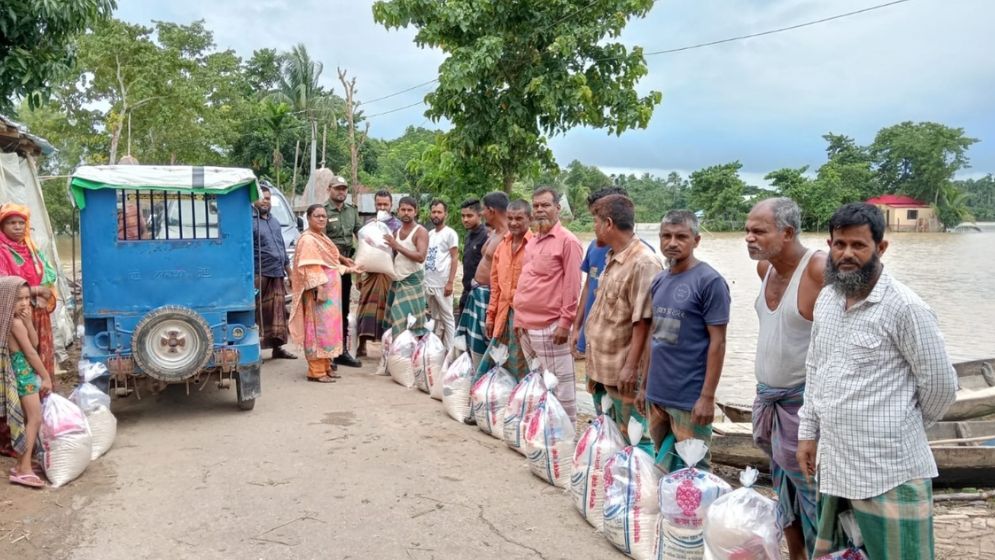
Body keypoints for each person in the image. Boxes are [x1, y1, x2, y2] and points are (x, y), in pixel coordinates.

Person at [797, 203, 957, 560]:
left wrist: (902, 426)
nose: (847, 254)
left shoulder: (905, 307)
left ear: (881, 248)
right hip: (836, 466)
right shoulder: (827, 300)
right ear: (829, 245)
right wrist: (807, 432)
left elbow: (941, 386)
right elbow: (815, 369)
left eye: (858, 245)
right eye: (840, 244)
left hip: (889, 472)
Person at [745, 197, 826, 560]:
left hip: (802, 407)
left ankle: (828, 553)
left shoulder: (818, 269)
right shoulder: (765, 269)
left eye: (759, 231)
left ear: (788, 233)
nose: (749, 238)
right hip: (771, 402)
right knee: (786, 491)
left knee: (814, 495)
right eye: (748, 230)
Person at [641, 210, 730, 472]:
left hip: (689, 397)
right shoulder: (659, 280)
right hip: (657, 392)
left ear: (696, 240)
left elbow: (718, 343)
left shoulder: (710, 282)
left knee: (695, 469)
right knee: (662, 462)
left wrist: (707, 397)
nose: (672, 243)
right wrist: (644, 385)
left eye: (681, 237)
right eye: (666, 236)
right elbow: (654, 335)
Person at [584, 195, 661, 453]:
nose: (593, 227)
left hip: (623, 372)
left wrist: (630, 367)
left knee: (636, 440)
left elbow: (645, 322)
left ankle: (639, 478)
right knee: (609, 436)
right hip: (602, 366)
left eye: (595, 221)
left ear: (608, 223)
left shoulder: (644, 262)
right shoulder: (612, 256)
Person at [513, 188, 583, 424]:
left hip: (551, 326)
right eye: (536, 206)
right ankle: (543, 430)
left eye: (545, 205)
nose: (540, 210)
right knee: (538, 383)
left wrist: (565, 323)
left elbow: (573, 285)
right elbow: (528, 280)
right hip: (526, 325)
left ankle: (564, 434)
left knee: (561, 387)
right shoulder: (533, 241)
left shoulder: (568, 241)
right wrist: (519, 320)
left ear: (557, 208)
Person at [289, 205, 358, 383]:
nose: (321, 219)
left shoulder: (321, 237)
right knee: (318, 330)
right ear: (308, 218)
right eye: (317, 216)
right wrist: (319, 288)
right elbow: (309, 267)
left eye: (324, 216)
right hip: (319, 293)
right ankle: (316, 371)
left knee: (330, 330)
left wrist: (350, 268)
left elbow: (331, 265)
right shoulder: (308, 239)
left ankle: (326, 366)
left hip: (331, 294)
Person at [2, 277, 52, 487]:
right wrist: (46, 376)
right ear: (6, 300)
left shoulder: (15, 321)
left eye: (26, 298)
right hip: (24, 375)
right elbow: (31, 353)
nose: (24, 303)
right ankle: (24, 468)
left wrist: (30, 322)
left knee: (30, 419)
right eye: (18, 299)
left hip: (23, 373)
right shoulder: (14, 323)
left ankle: (23, 463)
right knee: (34, 419)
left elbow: (34, 341)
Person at [0, 204, 57, 379]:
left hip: (38, 311)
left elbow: (48, 277)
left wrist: (46, 293)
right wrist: (37, 290)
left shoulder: (31, 248)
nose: (18, 227)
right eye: (11, 223)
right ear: (2, 226)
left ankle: (45, 391)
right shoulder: (1, 250)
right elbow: (3, 285)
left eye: (21, 223)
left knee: (40, 351)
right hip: (15, 313)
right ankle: (28, 393)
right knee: (23, 358)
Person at [482, 199, 533, 381]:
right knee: (497, 364)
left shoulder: (535, 246)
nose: (513, 223)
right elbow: (495, 285)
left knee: (525, 367)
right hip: (503, 316)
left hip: (525, 317)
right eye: (510, 218)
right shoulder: (502, 246)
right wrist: (491, 315)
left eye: (519, 218)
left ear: (530, 219)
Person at [455, 192, 508, 368]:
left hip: (490, 297)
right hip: (476, 293)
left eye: (483, 209)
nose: (482, 213)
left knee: (487, 344)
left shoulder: (508, 236)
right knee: (472, 343)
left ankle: (485, 378)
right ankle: (476, 377)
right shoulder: (494, 232)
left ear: (491, 210)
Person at [321, 171, 362, 368]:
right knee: (328, 309)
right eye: (337, 188)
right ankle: (327, 352)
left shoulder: (351, 211)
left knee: (344, 308)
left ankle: (341, 351)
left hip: (346, 267)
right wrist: (339, 259)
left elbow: (360, 234)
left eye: (344, 189)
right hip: (328, 266)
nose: (341, 192)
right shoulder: (322, 211)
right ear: (329, 189)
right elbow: (320, 241)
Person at [355, 190, 402, 358]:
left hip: (389, 275)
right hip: (370, 275)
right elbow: (361, 250)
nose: (382, 207)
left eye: (385, 204)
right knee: (365, 308)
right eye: (379, 204)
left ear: (391, 206)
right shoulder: (369, 225)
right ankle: (361, 345)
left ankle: (387, 348)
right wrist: (358, 274)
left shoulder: (397, 226)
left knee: (388, 311)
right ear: (374, 205)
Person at [253, 185, 296, 360]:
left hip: (277, 273)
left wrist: (290, 272)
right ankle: (254, 352)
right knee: (258, 313)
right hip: (259, 274)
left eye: (268, 198)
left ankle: (278, 349)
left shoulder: (275, 222)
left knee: (278, 314)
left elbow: (282, 249)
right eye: (262, 198)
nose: (265, 201)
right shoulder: (249, 222)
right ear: (254, 200)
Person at [384, 197, 429, 338]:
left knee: (411, 321)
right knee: (397, 318)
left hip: (412, 282)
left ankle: (410, 349)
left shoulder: (420, 231)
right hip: (398, 281)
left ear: (416, 212)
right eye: (403, 209)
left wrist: (397, 246)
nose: (406, 213)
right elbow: (395, 256)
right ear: (398, 211)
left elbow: (421, 256)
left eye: (410, 210)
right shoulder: (396, 232)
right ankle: (397, 349)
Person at [423, 200, 459, 349]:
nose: (436, 215)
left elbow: (455, 258)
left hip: (442, 284)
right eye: (434, 212)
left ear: (446, 214)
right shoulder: (430, 234)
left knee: (448, 318)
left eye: (439, 212)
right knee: (435, 317)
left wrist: (450, 282)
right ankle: (437, 349)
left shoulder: (450, 233)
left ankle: (450, 351)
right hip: (429, 282)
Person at [456, 198, 489, 319]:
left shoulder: (486, 236)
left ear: (480, 215)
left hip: (479, 293)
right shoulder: (469, 235)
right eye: (463, 216)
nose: (465, 219)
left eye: (469, 216)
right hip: (466, 291)